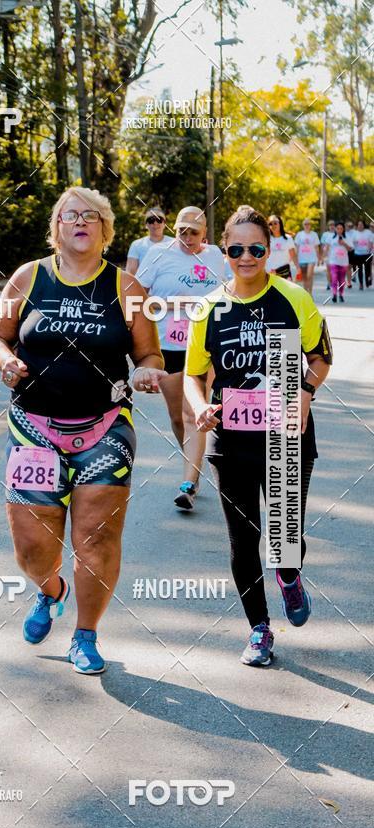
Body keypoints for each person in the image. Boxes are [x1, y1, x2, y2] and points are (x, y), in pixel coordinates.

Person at [0, 186, 166, 675]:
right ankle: (51, 590)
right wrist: (5, 361)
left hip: (105, 429)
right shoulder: (28, 278)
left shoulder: (127, 288)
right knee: (31, 547)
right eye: (71, 215)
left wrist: (147, 371)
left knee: (96, 539)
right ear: (57, 227)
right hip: (32, 428)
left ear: (105, 229)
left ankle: (85, 636)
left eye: (92, 216)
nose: (81, 222)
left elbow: (150, 353)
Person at [185, 205, 332, 666]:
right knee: (243, 540)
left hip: (288, 434)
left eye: (256, 249)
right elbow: (193, 376)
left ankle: (289, 575)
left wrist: (305, 393)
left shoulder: (293, 299)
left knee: (287, 536)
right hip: (231, 440)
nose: (246, 257)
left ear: (270, 249)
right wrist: (200, 408)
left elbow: (322, 356)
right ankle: (259, 631)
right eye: (236, 249)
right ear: (223, 251)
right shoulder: (209, 308)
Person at [137, 206, 225, 510]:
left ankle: (188, 483)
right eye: (182, 230)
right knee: (178, 418)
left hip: (203, 347)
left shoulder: (215, 257)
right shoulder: (158, 254)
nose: (187, 237)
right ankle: (195, 466)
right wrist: (173, 303)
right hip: (168, 347)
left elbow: (229, 294)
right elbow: (137, 296)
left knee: (192, 414)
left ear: (205, 233)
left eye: (194, 232)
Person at [126, 207, 170, 275]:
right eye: (151, 220)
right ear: (146, 225)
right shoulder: (136, 245)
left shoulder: (174, 243)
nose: (155, 223)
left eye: (159, 220)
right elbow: (130, 274)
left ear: (164, 224)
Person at [266, 215, 297, 279]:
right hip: (270, 273)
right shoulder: (266, 239)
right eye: (270, 224)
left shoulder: (288, 238)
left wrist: (298, 268)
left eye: (275, 223)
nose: (273, 225)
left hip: (284, 272)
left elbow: (293, 255)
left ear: (280, 223)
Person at [294, 219, 320, 296]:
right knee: (304, 277)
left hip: (311, 258)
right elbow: (297, 247)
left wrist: (319, 258)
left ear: (310, 225)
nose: (307, 225)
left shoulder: (314, 234)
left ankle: (310, 292)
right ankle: (306, 294)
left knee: (309, 275)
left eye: (308, 224)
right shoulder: (299, 234)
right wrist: (295, 258)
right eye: (305, 224)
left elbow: (316, 247)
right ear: (303, 225)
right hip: (302, 258)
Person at [329, 221, 353, 302]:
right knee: (334, 278)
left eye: (341, 228)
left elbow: (350, 249)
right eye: (338, 228)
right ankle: (334, 294)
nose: (339, 230)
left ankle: (341, 294)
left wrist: (344, 244)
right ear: (335, 229)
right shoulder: (331, 237)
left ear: (343, 229)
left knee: (342, 280)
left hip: (343, 262)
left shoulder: (347, 238)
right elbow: (327, 247)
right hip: (333, 262)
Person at [352, 219, 373, 290]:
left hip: (367, 254)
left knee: (367, 269)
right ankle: (361, 284)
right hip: (358, 254)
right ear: (357, 226)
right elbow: (352, 243)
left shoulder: (368, 233)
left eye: (361, 224)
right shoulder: (354, 233)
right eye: (359, 224)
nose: (360, 226)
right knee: (359, 269)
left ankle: (367, 282)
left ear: (364, 225)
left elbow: (371, 242)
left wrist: (369, 249)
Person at [319, 220, 336, 291]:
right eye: (330, 225)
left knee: (334, 270)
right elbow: (322, 245)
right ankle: (329, 283)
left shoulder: (337, 234)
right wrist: (322, 256)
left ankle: (333, 282)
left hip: (335, 255)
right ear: (328, 226)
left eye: (333, 225)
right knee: (328, 270)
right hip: (327, 255)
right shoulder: (325, 234)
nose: (332, 226)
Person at [344, 219, 357, 289]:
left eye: (349, 226)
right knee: (346, 267)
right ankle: (348, 281)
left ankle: (349, 282)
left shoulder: (354, 232)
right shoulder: (342, 232)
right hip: (343, 252)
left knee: (349, 266)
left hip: (352, 251)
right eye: (347, 225)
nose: (348, 227)